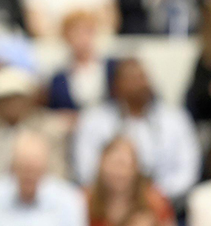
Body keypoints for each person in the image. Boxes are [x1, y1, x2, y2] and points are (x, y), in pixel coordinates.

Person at [73, 58, 201, 201]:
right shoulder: (94, 120)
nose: (136, 84)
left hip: (166, 201)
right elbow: (86, 172)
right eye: (128, 78)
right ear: (115, 86)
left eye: (140, 77)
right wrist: (121, 192)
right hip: (108, 202)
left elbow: (188, 171)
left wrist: (156, 194)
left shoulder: (175, 119)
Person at [0, 67, 69, 189]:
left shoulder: (50, 130)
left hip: (40, 201)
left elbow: (58, 177)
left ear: (28, 100)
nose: (12, 104)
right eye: (5, 99)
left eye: (17, 98)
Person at [86, 136, 175, 226]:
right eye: (113, 163)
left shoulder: (154, 200)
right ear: (100, 165)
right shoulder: (84, 201)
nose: (118, 171)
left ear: (136, 168)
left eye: (123, 164)